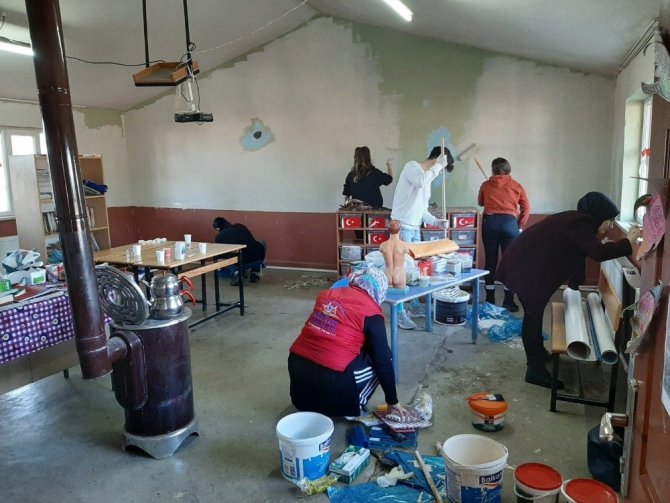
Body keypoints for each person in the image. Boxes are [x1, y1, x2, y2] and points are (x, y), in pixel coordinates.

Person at [497, 192, 636, 389]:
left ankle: (538, 355)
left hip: (527, 267)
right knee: (532, 317)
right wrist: (629, 242)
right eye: (610, 220)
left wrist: (575, 283)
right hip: (526, 270)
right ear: (599, 215)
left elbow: (577, 254)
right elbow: (597, 253)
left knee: (533, 315)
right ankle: (535, 371)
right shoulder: (580, 223)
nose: (611, 226)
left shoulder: (579, 222)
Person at [288, 265, 409, 419]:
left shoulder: (325, 295)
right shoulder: (371, 312)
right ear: (380, 291)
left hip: (298, 377)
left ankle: (316, 401)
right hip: (331, 379)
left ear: (354, 280)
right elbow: (383, 362)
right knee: (385, 356)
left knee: (347, 346)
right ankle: (353, 406)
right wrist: (392, 401)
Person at [390, 145, 454, 329]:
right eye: (441, 169)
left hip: (414, 228)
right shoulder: (412, 167)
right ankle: (399, 312)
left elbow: (423, 210)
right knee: (400, 271)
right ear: (436, 160)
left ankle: (414, 306)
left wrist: (436, 221)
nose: (439, 173)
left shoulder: (427, 180)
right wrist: (439, 165)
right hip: (402, 227)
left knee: (415, 271)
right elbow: (420, 181)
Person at [478, 157, 530, 312]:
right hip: (510, 225)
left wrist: (489, 191)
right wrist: (519, 226)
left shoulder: (486, 185)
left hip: (490, 224)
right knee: (510, 264)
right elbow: (526, 208)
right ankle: (509, 301)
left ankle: (490, 300)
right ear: (508, 170)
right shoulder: (517, 186)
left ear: (493, 170)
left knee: (490, 262)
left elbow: (480, 202)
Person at [212, 217, 266, 285]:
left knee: (228, 256)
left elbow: (220, 257)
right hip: (258, 259)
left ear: (218, 228)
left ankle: (236, 273)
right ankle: (255, 273)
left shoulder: (219, 236)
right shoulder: (240, 226)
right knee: (261, 242)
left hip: (240, 263)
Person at [380, 220, 409, 288]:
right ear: (400, 230)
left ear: (388, 230)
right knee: (402, 295)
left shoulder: (382, 245)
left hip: (387, 276)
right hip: (399, 275)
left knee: (388, 295)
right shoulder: (404, 245)